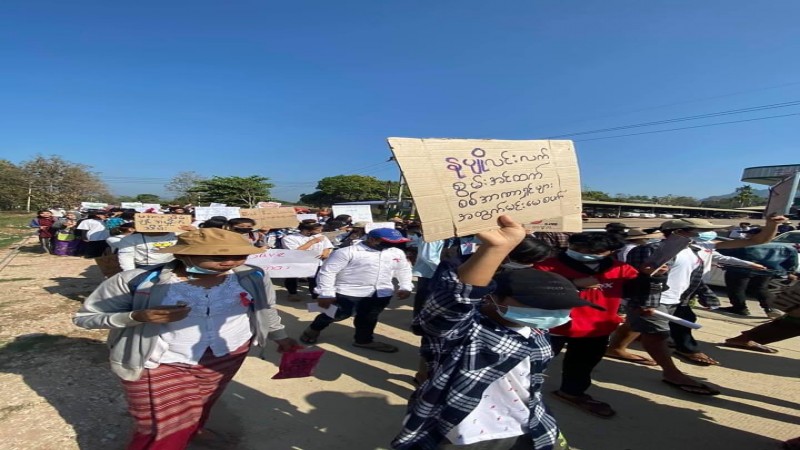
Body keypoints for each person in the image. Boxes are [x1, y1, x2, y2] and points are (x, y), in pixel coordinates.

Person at [73, 228, 297, 450]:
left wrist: (280, 336)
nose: (231, 262)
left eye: (240, 255)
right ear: (183, 254)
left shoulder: (252, 276)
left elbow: (265, 308)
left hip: (227, 355)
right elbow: (86, 318)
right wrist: (136, 316)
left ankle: (195, 429)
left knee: (203, 401)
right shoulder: (139, 281)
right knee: (166, 425)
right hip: (160, 360)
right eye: (218, 256)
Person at [392, 216, 580, 450]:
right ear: (491, 298)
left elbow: (531, 383)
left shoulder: (537, 333)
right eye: (537, 305)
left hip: (528, 424)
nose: (550, 314)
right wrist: (495, 248)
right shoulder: (465, 334)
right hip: (463, 432)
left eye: (558, 308)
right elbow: (456, 299)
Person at [624, 216, 785, 395]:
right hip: (654, 300)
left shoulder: (700, 248)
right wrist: (645, 290)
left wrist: (773, 225)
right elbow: (635, 278)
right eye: (698, 231)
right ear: (679, 233)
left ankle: (615, 348)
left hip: (678, 299)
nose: (705, 234)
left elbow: (756, 240)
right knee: (657, 335)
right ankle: (671, 373)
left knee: (637, 326)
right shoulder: (651, 249)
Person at [534, 232, 638, 417]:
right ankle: (514, 393)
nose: (582, 252)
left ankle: (571, 392)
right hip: (553, 326)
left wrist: (654, 277)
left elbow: (637, 288)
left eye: (592, 251)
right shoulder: (547, 266)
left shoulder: (621, 269)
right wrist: (573, 284)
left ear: (610, 252)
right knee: (532, 362)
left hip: (596, 327)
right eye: (577, 248)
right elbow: (532, 290)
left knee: (583, 365)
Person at [300, 228, 413, 353]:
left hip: (380, 293)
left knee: (369, 317)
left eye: (397, 242)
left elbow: (404, 270)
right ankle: (313, 330)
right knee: (337, 314)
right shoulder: (347, 252)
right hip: (348, 293)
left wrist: (405, 286)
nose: (393, 245)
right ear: (372, 239)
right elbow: (328, 272)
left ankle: (363, 340)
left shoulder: (396, 253)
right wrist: (326, 293)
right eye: (388, 242)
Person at [716, 243, 799, 318]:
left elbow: (727, 256)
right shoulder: (786, 247)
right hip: (767, 271)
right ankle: (770, 308)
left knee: (736, 289)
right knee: (761, 289)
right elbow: (792, 261)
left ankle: (740, 308)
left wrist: (724, 264)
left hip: (741, 269)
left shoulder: (742, 245)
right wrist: (788, 271)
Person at [281, 222, 334, 302]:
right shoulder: (289, 238)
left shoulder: (321, 236)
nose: (320, 232)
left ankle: (315, 296)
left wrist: (326, 252)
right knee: (292, 279)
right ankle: (293, 293)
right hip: (297, 262)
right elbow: (296, 251)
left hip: (316, 262)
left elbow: (327, 246)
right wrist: (312, 242)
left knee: (315, 280)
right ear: (307, 230)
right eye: (317, 230)